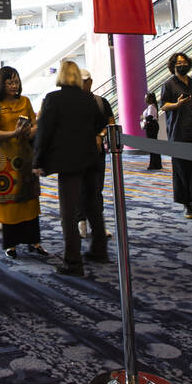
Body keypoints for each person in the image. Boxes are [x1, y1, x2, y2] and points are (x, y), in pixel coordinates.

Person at [33, 60, 107, 276]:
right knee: (93, 206)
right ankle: (99, 250)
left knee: (68, 212)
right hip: (91, 159)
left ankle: (73, 262)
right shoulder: (88, 98)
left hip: (68, 162)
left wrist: (38, 161)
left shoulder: (53, 99)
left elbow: (44, 132)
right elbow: (100, 123)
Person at [0, 66, 48, 259]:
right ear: (1, 84)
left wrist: (30, 131)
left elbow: (36, 124)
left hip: (26, 157)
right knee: (9, 201)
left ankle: (34, 241)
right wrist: (14, 133)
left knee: (29, 199)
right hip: (5, 161)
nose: (14, 86)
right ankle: (10, 244)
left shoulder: (25, 101)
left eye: (16, 81)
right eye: (10, 82)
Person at [160, 52, 192, 219]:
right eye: (178, 62)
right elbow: (164, 106)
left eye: (184, 62)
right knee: (182, 170)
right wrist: (177, 104)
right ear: (173, 66)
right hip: (178, 132)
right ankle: (186, 204)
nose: (182, 64)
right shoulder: (168, 85)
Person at [77, 69, 113, 241]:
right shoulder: (71, 103)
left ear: (90, 81)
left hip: (97, 153)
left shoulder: (101, 102)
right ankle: (80, 221)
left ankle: (97, 223)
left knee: (97, 188)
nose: (83, 84)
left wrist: (100, 135)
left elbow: (110, 124)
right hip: (78, 152)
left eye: (85, 81)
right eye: (80, 81)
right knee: (79, 187)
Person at [141, 92, 163, 170]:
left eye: (146, 97)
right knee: (154, 145)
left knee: (152, 146)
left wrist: (143, 117)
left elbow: (149, 117)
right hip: (153, 125)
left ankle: (154, 164)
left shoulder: (151, 107)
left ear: (150, 99)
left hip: (151, 126)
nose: (145, 99)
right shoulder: (152, 106)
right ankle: (156, 164)